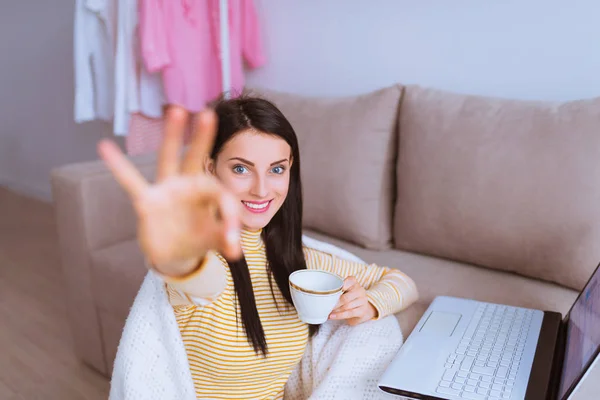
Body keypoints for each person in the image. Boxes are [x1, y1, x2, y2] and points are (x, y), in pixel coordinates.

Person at [98, 96, 419, 399]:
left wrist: (371, 303)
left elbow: (401, 282)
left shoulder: (301, 260)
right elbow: (194, 274)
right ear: (210, 168)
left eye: (277, 169)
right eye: (241, 168)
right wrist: (177, 247)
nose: (261, 189)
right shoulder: (203, 261)